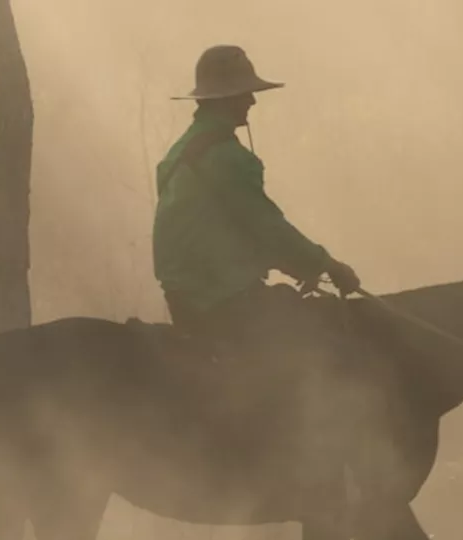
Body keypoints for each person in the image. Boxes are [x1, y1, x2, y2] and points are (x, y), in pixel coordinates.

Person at [151, 45, 361, 359]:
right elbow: (267, 227)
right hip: (220, 297)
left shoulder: (177, 154)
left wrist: (292, 265)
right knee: (321, 345)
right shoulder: (229, 158)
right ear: (224, 100)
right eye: (244, 94)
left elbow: (221, 229)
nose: (251, 101)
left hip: (184, 299)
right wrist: (327, 265)